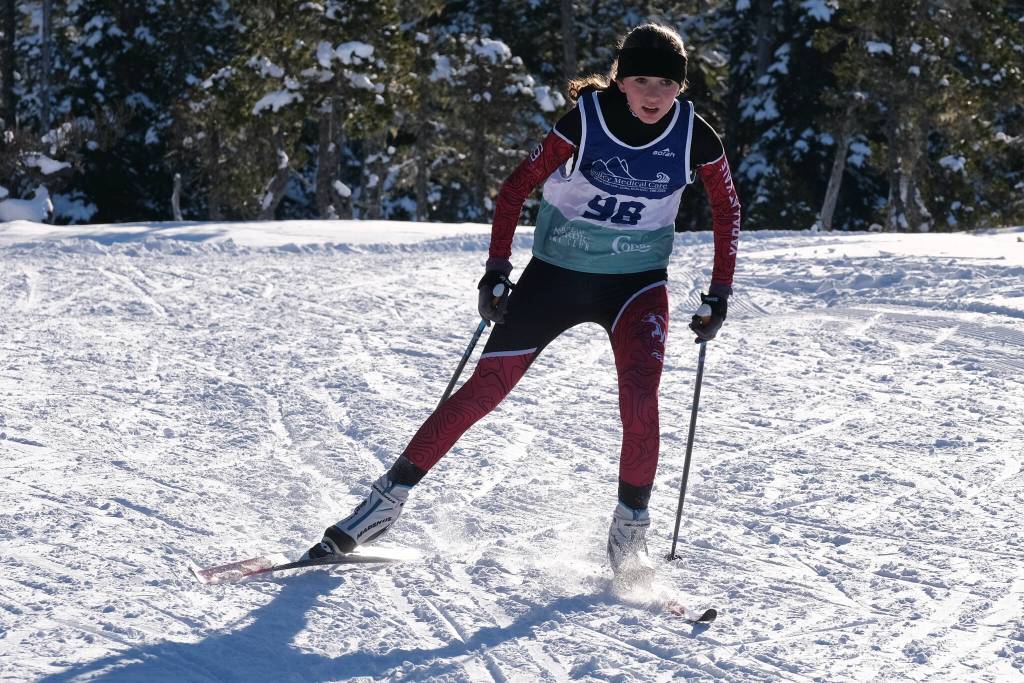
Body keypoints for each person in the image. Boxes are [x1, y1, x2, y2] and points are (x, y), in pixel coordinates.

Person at [304, 23, 741, 580]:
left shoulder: (696, 136)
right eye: (640, 81)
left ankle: (630, 536)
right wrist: (495, 270)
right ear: (620, 82)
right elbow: (515, 188)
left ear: (680, 87)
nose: (652, 94)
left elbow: (727, 211)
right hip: (556, 276)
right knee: (486, 390)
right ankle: (383, 503)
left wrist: (720, 294)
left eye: (664, 83)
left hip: (637, 284)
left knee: (640, 396)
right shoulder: (586, 120)